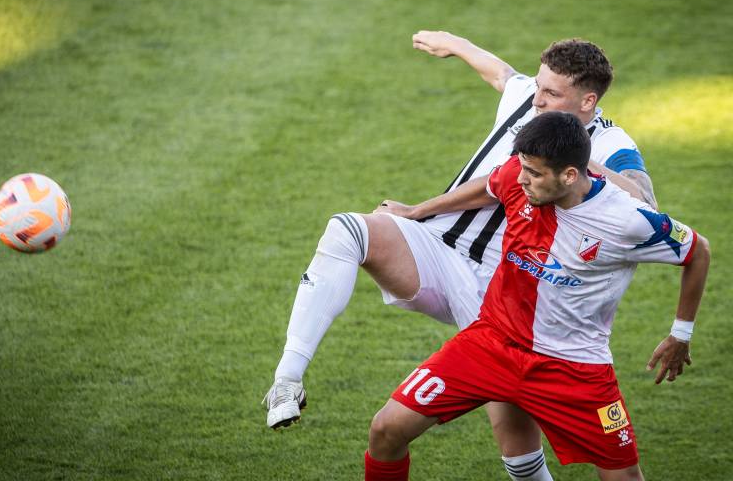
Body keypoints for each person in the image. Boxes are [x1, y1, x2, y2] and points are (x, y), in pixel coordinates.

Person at [263, 35, 657, 480]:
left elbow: (645, 200)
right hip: (439, 250)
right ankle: (288, 380)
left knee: (517, 447)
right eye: (539, 86)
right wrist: (455, 44)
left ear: (588, 101)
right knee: (348, 229)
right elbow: (503, 75)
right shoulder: (528, 98)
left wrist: (581, 163)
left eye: (551, 93)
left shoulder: (608, 142)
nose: (537, 99)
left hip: (505, 290)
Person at [364, 111, 710, 481]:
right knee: (386, 430)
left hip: (573, 368)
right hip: (491, 343)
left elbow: (698, 251)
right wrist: (416, 210)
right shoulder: (522, 174)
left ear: (570, 175)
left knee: (623, 476)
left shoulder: (629, 220)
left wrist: (681, 334)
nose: (521, 178)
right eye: (522, 167)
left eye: (534, 173)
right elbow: (492, 185)